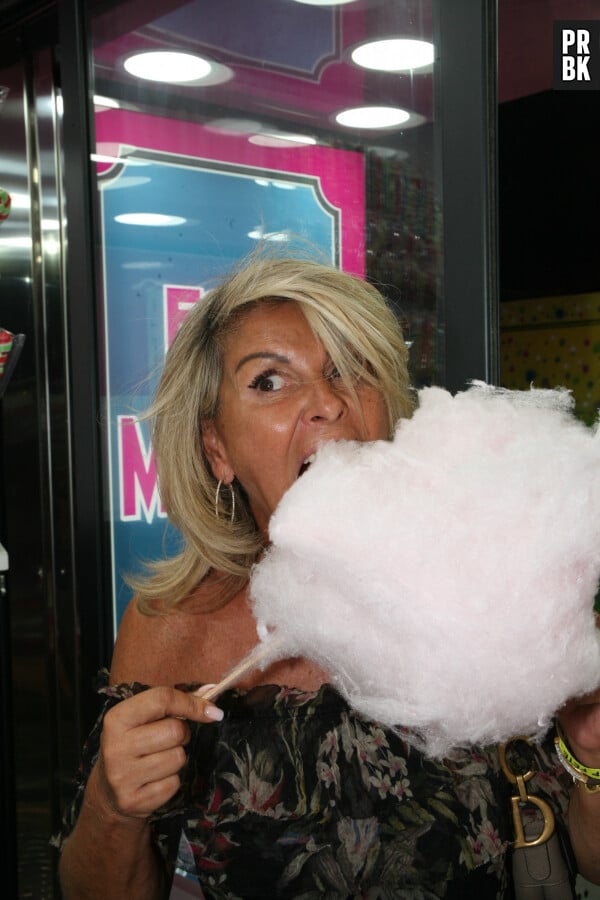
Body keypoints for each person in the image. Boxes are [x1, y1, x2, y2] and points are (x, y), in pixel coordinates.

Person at [55, 255, 600, 899]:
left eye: (350, 371)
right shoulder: (173, 628)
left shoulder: (494, 586)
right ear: (216, 449)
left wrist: (589, 753)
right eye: (269, 382)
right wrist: (114, 810)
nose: (327, 402)